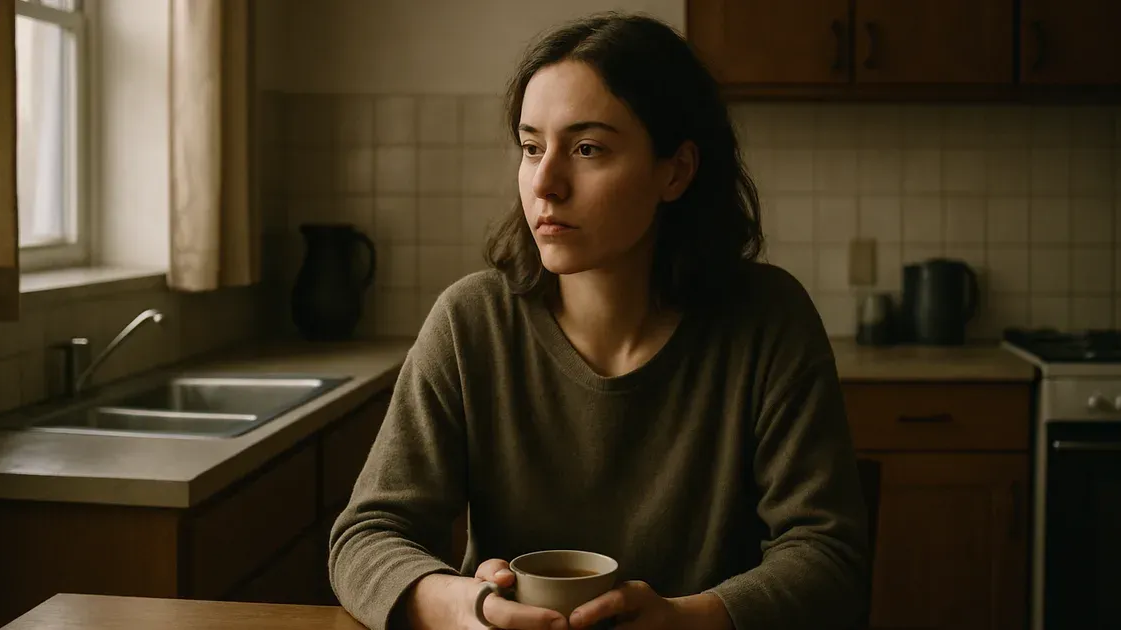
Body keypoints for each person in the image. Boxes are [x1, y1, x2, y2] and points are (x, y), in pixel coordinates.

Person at [329, 11, 869, 630]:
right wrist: (464, 609)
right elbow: (365, 537)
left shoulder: (768, 321)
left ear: (676, 170)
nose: (546, 184)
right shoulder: (471, 322)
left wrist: (688, 621)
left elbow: (831, 559)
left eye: (587, 149)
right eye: (532, 148)